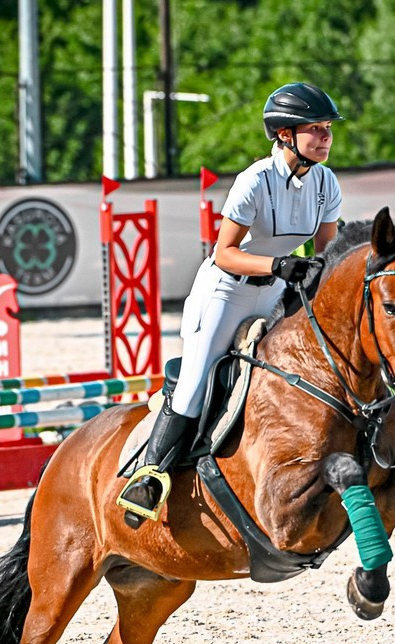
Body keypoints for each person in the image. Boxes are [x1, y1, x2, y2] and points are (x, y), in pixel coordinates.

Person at [117, 82, 344, 526]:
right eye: (314, 129)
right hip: (226, 291)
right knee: (197, 383)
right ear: (284, 135)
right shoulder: (255, 181)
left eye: (327, 129)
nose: (325, 137)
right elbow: (224, 252)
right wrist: (280, 265)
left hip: (275, 291)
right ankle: (150, 477)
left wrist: (312, 275)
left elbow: (326, 253)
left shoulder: (325, 183)